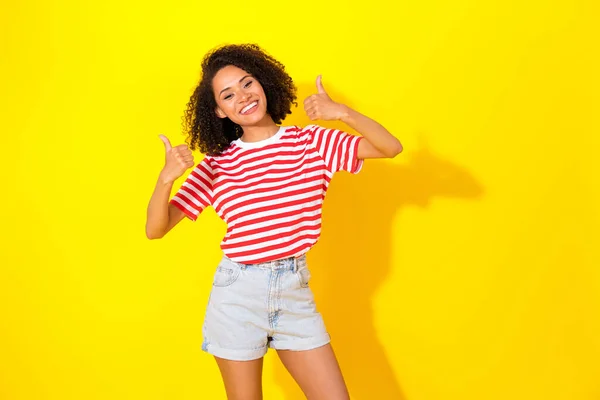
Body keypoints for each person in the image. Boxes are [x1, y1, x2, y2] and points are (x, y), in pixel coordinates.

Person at [145, 43, 402, 400]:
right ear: (219, 111)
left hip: (294, 292)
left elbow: (390, 147)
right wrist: (166, 179)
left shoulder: (312, 142)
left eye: (248, 83)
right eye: (228, 94)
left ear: (264, 84)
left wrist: (342, 112)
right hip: (238, 296)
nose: (243, 97)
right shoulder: (218, 165)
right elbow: (155, 230)